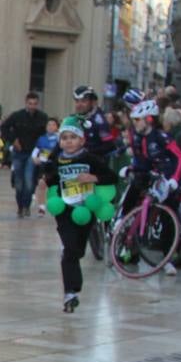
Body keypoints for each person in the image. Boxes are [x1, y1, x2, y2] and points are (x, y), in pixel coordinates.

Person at [41, 115, 116, 313]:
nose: (68, 141)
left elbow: (111, 177)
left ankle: (74, 284)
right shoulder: (56, 160)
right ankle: (70, 292)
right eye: (64, 138)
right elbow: (51, 181)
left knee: (78, 250)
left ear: (81, 140)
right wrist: (47, 177)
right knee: (69, 248)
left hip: (86, 209)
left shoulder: (90, 159)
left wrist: (93, 178)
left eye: (72, 137)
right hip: (65, 211)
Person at [123, 99, 181, 276]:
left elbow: (179, 158)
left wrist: (174, 179)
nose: (135, 124)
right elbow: (139, 161)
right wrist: (129, 169)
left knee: (168, 214)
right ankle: (122, 229)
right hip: (152, 174)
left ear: (149, 119)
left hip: (171, 176)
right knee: (134, 190)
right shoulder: (136, 138)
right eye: (133, 120)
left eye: (138, 120)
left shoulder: (161, 137)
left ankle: (167, 258)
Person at [0, 90, 50, 217]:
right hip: (18, 152)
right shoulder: (17, 116)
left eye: (34, 104)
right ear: (26, 103)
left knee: (29, 180)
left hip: (32, 153)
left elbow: (47, 134)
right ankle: (20, 206)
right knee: (18, 182)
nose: (32, 106)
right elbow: (4, 127)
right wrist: (13, 140)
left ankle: (26, 206)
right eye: (30, 103)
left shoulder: (42, 117)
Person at [31, 117, 60, 215]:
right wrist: (35, 158)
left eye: (53, 125)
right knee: (41, 183)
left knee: (56, 186)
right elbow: (36, 150)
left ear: (57, 127)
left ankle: (56, 205)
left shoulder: (60, 139)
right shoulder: (41, 138)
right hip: (44, 165)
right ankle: (41, 207)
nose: (51, 127)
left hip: (57, 165)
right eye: (49, 125)